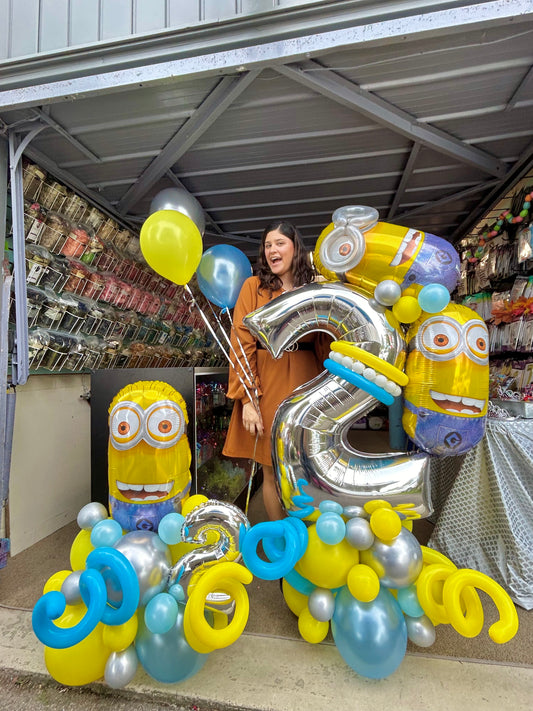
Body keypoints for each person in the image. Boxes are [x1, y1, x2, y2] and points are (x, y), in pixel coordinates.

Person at [222, 221, 328, 521]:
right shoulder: (253, 287)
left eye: (279, 243)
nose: (272, 250)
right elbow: (241, 343)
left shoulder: (313, 290)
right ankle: (282, 539)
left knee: (306, 464)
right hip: (267, 380)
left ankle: (307, 538)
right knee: (271, 469)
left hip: (308, 378)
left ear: (295, 248)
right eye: (268, 245)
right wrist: (247, 400)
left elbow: (325, 342)